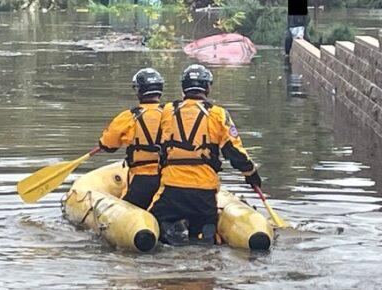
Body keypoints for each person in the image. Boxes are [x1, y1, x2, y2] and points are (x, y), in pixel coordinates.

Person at [150, 64, 262, 245]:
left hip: (172, 191)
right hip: (204, 195)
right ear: (208, 87)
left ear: (183, 88)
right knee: (206, 238)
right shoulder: (218, 114)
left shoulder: (167, 111)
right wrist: (251, 174)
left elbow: (157, 145)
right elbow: (234, 152)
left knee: (155, 223)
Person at [98, 68, 165, 209]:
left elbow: (108, 145)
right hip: (168, 179)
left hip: (141, 180)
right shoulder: (172, 114)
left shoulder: (128, 117)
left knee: (128, 208)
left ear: (138, 91)